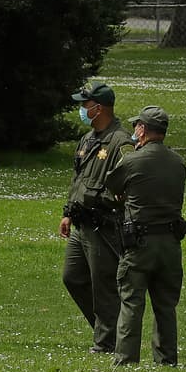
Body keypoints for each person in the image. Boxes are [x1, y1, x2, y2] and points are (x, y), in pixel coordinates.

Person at [103, 106, 186, 366]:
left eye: (136, 126)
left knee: (132, 301)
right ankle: (166, 359)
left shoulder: (133, 160)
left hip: (139, 243)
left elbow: (111, 187)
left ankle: (126, 359)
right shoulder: (178, 162)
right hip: (170, 242)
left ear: (142, 129)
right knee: (166, 305)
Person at [60, 81, 133, 354]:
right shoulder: (87, 140)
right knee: (72, 277)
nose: (82, 109)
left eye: (85, 104)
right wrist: (68, 212)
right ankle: (107, 328)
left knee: (104, 285)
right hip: (81, 223)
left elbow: (125, 184)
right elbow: (78, 178)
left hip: (103, 224)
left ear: (98, 108)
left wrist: (96, 200)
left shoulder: (121, 142)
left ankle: (106, 342)